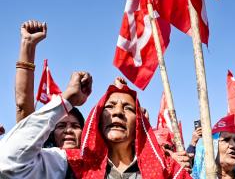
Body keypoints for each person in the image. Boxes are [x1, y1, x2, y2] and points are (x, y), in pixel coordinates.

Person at [0, 72, 191, 178]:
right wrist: (65, 100)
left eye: (128, 108)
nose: (117, 112)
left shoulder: (168, 170)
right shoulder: (72, 163)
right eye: (109, 107)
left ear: (139, 124)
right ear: (97, 122)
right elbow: (7, 162)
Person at [15, 20, 85, 149]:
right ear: (51, 134)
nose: (68, 130)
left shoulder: (98, 166)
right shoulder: (41, 162)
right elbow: (23, 106)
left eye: (75, 126)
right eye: (61, 126)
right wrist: (28, 44)